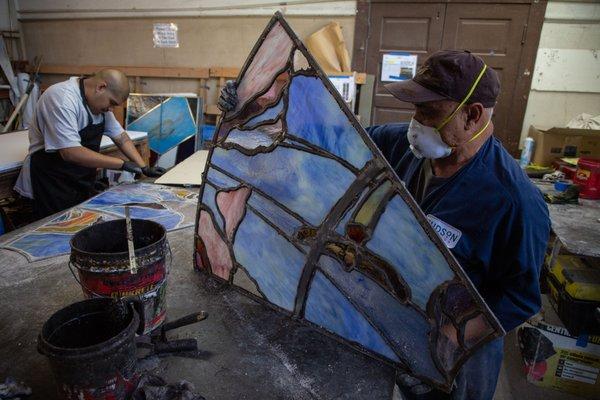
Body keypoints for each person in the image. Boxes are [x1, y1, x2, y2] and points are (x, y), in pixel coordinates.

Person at [218, 50, 550, 400]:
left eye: (430, 111)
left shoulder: (515, 202)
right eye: (415, 109)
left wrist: (451, 340)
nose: (417, 122)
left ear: (472, 115)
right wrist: (255, 106)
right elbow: (333, 135)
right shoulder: (405, 148)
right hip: (406, 322)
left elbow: (520, 298)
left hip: (463, 354)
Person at [14, 69, 165, 219]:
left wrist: (144, 167)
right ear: (101, 87)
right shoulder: (62, 98)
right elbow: (70, 152)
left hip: (80, 178)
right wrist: (122, 164)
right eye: (111, 103)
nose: (110, 109)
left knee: (82, 225)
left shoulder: (99, 105)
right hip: (53, 180)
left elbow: (121, 137)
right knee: (58, 230)